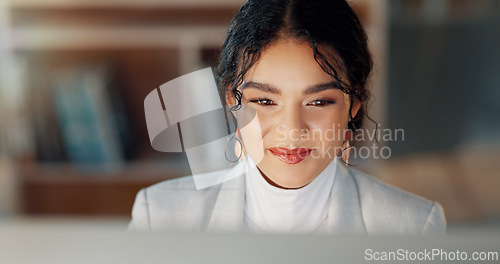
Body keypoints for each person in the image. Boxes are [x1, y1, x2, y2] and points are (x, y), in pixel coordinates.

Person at [127, 0, 446, 235]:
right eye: (264, 100)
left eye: (319, 101)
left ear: (353, 104)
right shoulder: (160, 216)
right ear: (231, 103)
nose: (292, 130)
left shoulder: (414, 226)